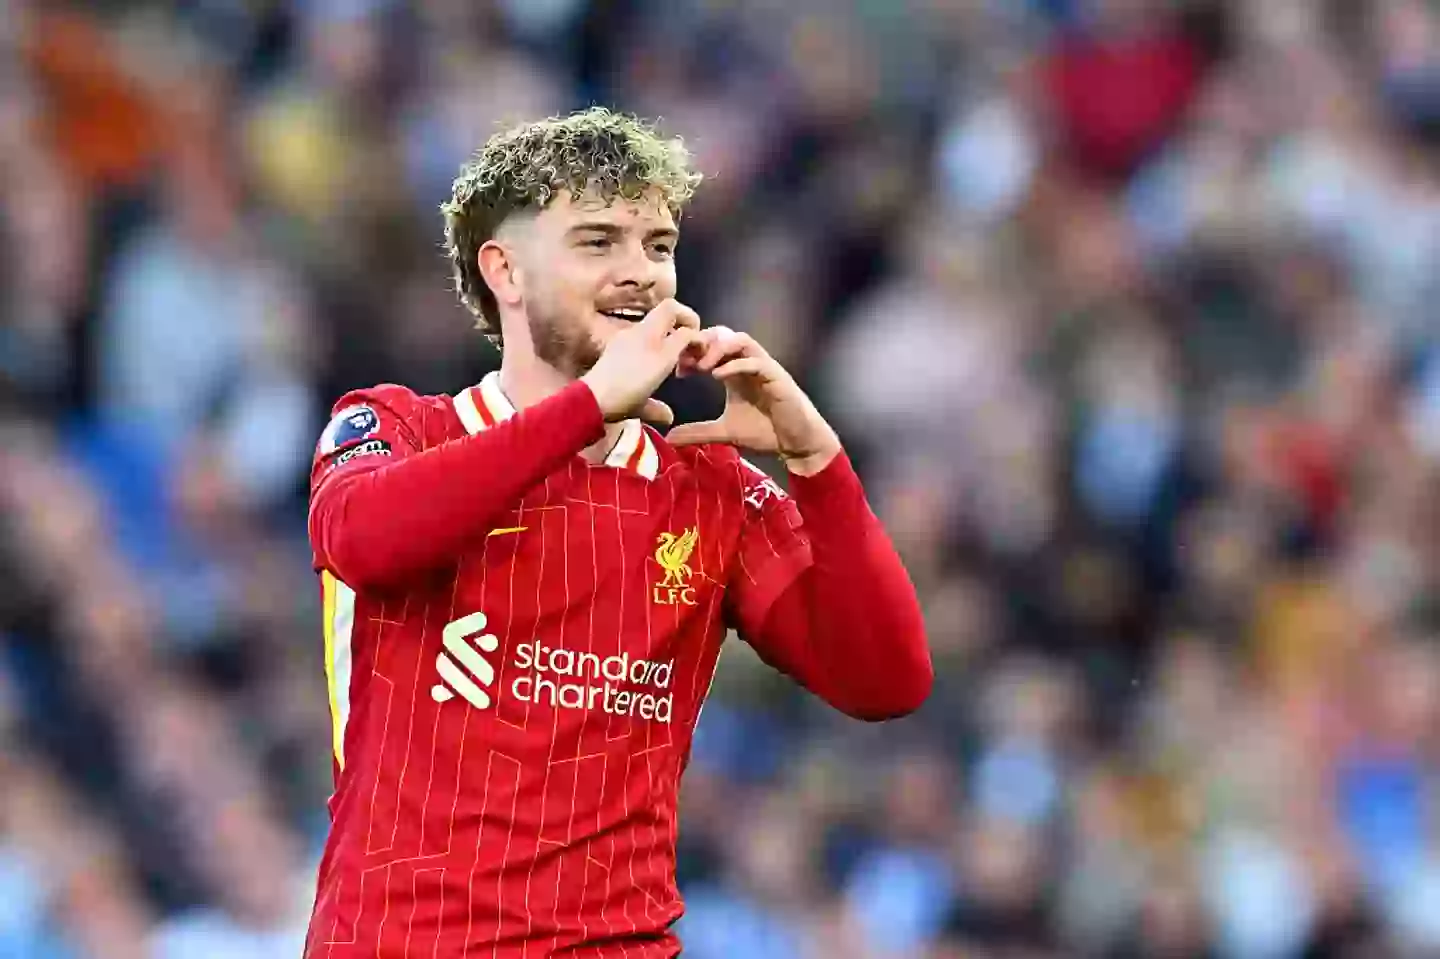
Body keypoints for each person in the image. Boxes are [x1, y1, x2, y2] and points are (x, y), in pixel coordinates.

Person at [303, 106, 932, 958]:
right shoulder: (395, 426)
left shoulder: (709, 491)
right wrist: (591, 403)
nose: (641, 273)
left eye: (660, 246)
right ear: (506, 271)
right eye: (598, 241)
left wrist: (816, 459)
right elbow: (365, 539)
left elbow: (885, 678)